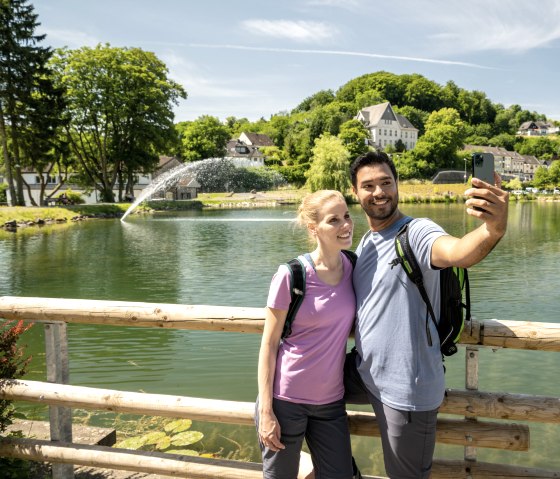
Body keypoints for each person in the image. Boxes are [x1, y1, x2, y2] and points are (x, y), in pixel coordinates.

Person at [344, 151, 509, 478]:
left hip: (407, 389)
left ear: (397, 185)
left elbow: (458, 252)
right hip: (365, 374)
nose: (379, 192)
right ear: (355, 192)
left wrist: (493, 229)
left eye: (386, 182)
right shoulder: (365, 243)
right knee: (293, 392)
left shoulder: (416, 231)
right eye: (368, 185)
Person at [256, 190, 356, 479]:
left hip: (331, 403)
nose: (346, 225)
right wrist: (266, 411)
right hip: (285, 401)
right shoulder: (291, 275)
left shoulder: (355, 266)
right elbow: (269, 344)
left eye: (347, 216)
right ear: (314, 228)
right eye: (334, 220)